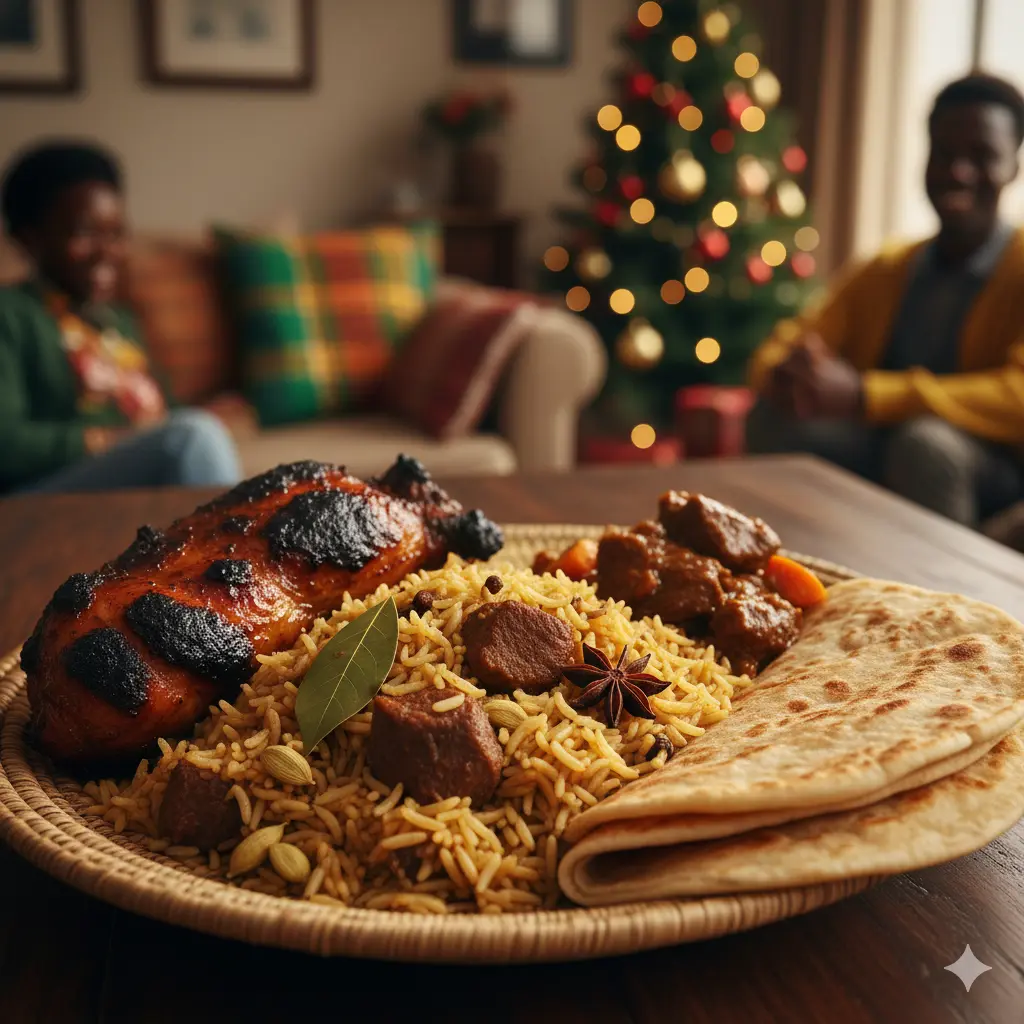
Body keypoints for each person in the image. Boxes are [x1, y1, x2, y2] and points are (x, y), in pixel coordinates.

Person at [747, 74, 1024, 528]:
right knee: (772, 417)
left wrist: (866, 395)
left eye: (982, 155)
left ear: (1013, 166)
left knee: (925, 445)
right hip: (884, 442)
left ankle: (944, 575)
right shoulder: (889, 266)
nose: (958, 171)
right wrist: (787, 373)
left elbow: (1017, 396)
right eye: (944, 153)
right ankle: (783, 564)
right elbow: (791, 340)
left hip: (992, 461)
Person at [0, 140, 241, 494]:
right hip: (35, 494)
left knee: (201, 430)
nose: (107, 252)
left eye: (115, 234)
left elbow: (165, 415)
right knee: (192, 437)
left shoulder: (117, 322)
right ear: (29, 239)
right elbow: (7, 441)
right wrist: (111, 439)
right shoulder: (12, 313)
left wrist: (216, 412)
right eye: (84, 233)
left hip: (117, 482)